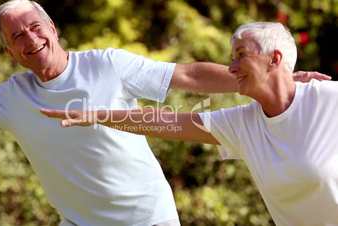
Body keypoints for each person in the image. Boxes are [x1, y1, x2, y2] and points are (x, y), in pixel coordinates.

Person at [0, 0, 329, 224]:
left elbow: (188, 76)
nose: (30, 39)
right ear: (9, 52)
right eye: (16, 36)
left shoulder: (107, 64)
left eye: (35, 27)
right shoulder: (11, 96)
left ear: (53, 28)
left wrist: (280, 76)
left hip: (147, 218)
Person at [41, 22, 338, 226]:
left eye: (241, 56)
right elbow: (166, 122)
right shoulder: (243, 124)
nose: (231, 68)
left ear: (274, 59)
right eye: (230, 58)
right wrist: (98, 115)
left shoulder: (327, 99)